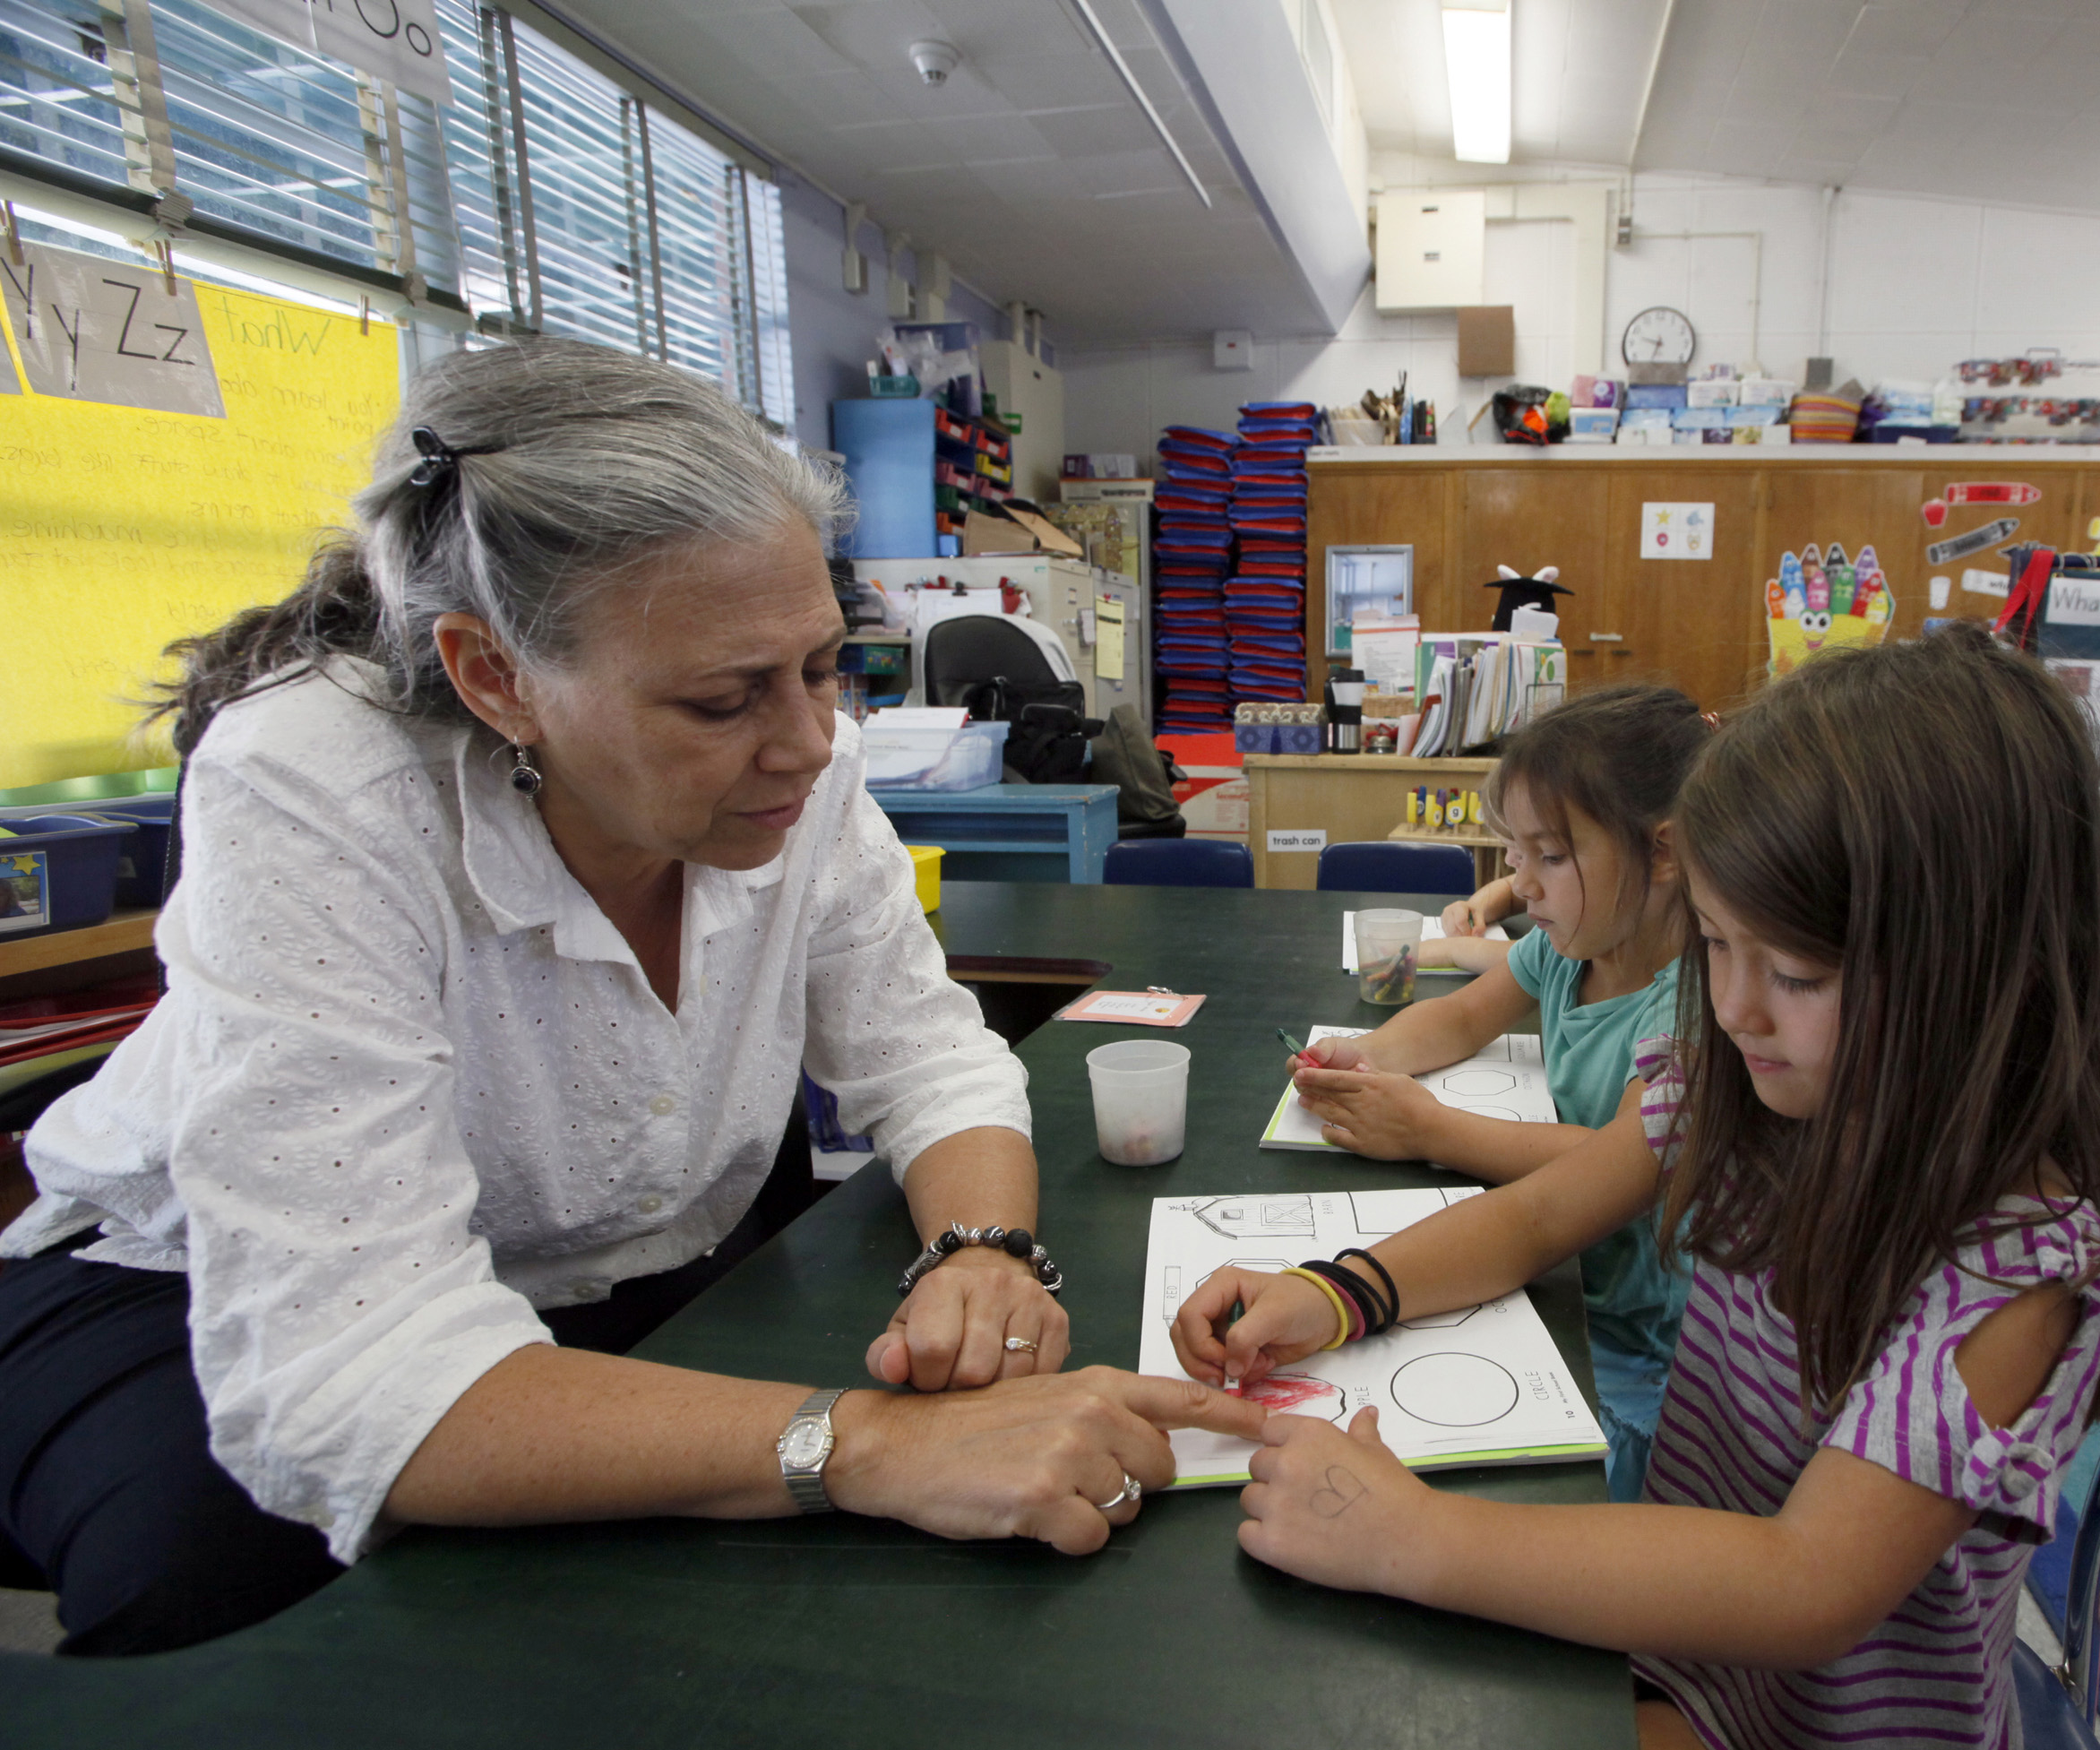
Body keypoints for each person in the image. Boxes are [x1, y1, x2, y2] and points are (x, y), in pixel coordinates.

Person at [0, 341, 1256, 1657]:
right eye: (723, 700)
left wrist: (981, 1251)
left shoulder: (791, 759)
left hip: (606, 1272)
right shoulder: (319, 781)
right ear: (497, 679)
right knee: (253, 1631)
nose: (812, 744)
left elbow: (928, 1054)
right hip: (202, 1298)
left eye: (828, 669)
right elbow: (355, 1376)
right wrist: (869, 1442)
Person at [1175, 628, 2100, 1750]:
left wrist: (1417, 1539)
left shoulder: (2007, 1274)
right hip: (1680, 1665)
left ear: (1975, 968)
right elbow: (1538, 1220)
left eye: (1792, 975)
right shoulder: (1747, 1084)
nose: (1734, 1008)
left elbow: (1808, 1584)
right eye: (1718, 947)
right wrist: (1335, 1292)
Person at [1286, 685, 1709, 1499]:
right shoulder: (1567, 947)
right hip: (1560, 1275)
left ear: (1662, 853)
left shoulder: (1691, 998)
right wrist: (1364, 1054)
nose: (1524, 885)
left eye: (1550, 856)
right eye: (1515, 856)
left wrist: (1433, 1130)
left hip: (1636, 1341)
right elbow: (1457, 1020)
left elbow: (1614, 1159)